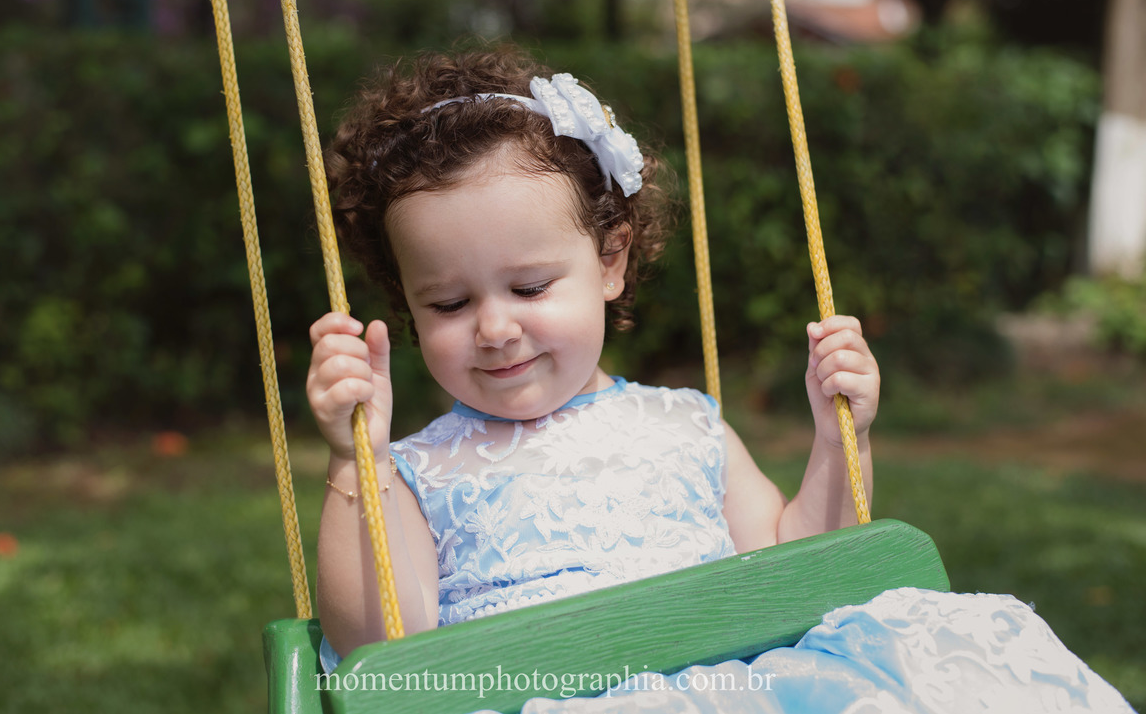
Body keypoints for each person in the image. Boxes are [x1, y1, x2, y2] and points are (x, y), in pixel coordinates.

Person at [307, 45, 1134, 713]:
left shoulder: (686, 426)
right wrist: (356, 464)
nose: (494, 326)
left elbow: (801, 569)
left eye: (529, 288)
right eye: (448, 302)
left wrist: (838, 436)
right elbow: (386, 645)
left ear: (610, 259)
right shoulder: (412, 472)